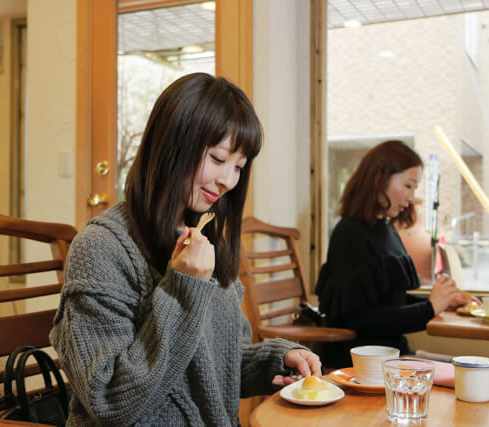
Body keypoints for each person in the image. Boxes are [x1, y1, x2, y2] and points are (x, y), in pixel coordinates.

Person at [50, 73, 321, 426]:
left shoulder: (201, 238)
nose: (228, 180)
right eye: (218, 158)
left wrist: (277, 358)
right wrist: (182, 288)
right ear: (171, 144)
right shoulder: (101, 248)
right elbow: (111, 402)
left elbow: (211, 368)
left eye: (239, 166)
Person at [315, 140, 471, 368]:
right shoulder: (349, 233)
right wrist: (429, 308)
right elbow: (360, 319)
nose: (411, 198)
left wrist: (442, 302)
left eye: (414, 189)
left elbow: (390, 301)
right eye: (408, 186)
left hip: (392, 356)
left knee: (482, 369)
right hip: (363, 364)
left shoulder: (385, 229)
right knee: (471, 372)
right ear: (379, 179)